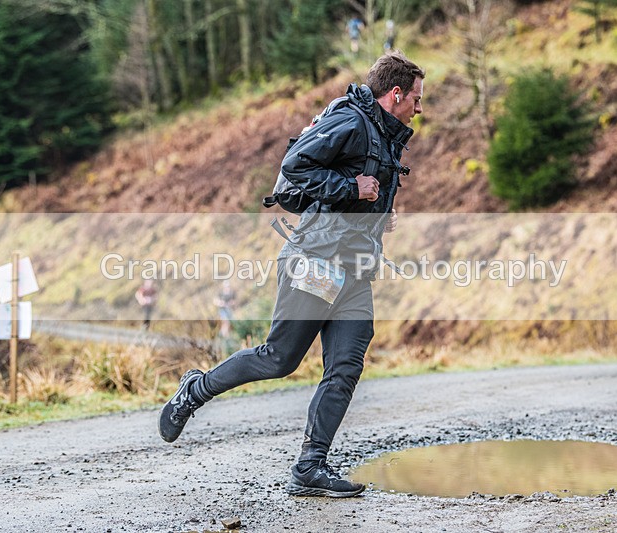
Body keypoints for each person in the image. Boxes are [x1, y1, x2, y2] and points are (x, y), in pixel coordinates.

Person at [158, 52, 425, 498]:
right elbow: (295, 169)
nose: (419, 107)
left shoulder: (385, 133)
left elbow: (358, 188)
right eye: (416, 97)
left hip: (354, 269)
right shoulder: (353, 122)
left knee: (345, 366)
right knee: (278, 359)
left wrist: (380, 213)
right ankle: (195, 390)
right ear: (395, 94)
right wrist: (352, 189)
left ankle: (310, 466)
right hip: (316, 262)